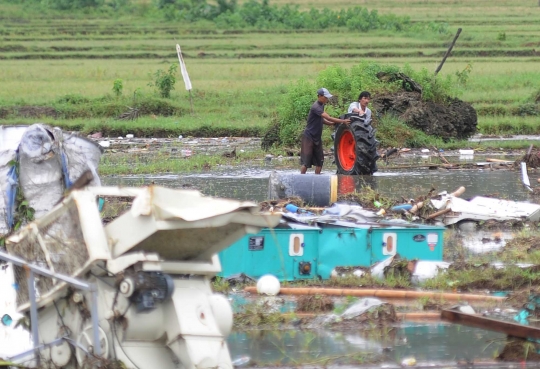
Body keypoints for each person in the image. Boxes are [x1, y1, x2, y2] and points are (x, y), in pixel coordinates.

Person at [300, 88, 350, 174]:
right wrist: (343, 121)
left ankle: (317, 180)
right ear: (319, 96)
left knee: (320, 162)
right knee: (306, 162)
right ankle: (300, 181)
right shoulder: (316, 107)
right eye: (325, 97)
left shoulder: (322, 105)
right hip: (309, 137)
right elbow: (328, 117)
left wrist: (332, 123)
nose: (327, 99)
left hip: (317, 138)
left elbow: (322, 120)